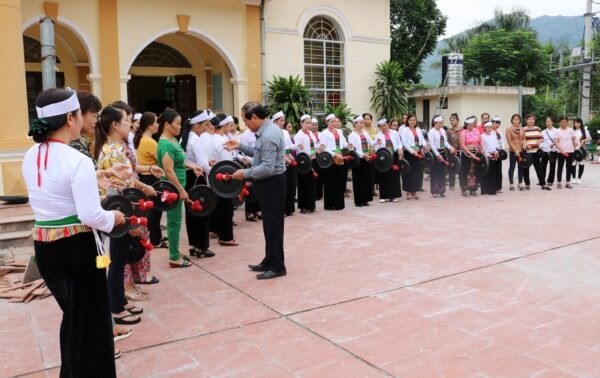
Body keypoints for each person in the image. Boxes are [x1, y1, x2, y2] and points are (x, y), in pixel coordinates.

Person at [23, 88, 125, 377]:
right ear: (70, 117)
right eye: (81, 113)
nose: (85, 118)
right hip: (78, 250)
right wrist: (114, 217)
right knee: (92, 325)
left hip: (46, 248)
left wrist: (98, 175)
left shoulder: (32, 154)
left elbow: (55, 184)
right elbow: (90, 215)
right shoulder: (76, 159)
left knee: (73, 318)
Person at [96, 105, 158, 323]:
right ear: (115, 125)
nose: (130, 125)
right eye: (126, 121)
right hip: (118, 211)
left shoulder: (117, 147)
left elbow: (128, 180)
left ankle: (120, 300)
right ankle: (115, 308)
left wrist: (144, 186)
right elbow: (119, 188)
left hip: (123, 209)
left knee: (120, 259)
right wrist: (132, 218)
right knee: (115, 260)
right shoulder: (112, 150)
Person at [224, 101, 287, 280]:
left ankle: (277, 266)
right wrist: (239, 146)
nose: (245, 125)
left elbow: (267, 167)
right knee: (268, 224)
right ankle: (269, 259)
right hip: (267, 182)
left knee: (274, 225)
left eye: (246, 121)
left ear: (255, 117)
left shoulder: (269, 134)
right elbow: (258, 154)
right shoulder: (264, 131)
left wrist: (243, 174)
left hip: (273, 182)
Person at [156, 108, 203, 267]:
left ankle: (175, 250)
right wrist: (181, 190)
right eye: (177, 124)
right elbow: (168, 170)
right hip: (172, 190)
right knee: (174, 222)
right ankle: (174, 257)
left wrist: (191, 166)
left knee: (176, 221)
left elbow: (179, 160)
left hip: (178, 187)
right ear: (167, 125)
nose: (180, 127)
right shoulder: (165, 144)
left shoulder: (173, 140)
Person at [180, 110, 215, 258]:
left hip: (188, 176)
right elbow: (201, 163)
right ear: (196, 125)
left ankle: (193, 244)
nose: (207, 127)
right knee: (202, 210)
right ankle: (202, 246)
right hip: (198, 176)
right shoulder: (196, 140)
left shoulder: (185, 139)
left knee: (191, 211)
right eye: (205, 124)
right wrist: (213, 174)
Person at [320, 113, 348, 210]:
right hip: (330, 159)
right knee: (330, 181)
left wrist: (349, 145)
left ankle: (339, 204)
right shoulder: (324, 133)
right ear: (327, 122)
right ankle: (329, 204)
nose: (334, 123)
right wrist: (334, 154)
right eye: (332, 121)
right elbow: (324, 147)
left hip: (340, 158)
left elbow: (344, 143)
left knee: (339, 181)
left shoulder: (339, 131)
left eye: (335, 121)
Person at [272, 111, 297, 216]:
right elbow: (275, 149)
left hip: (288, 159)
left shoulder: (285, 132)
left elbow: (289, 146)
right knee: (280, 188)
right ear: (275, 121)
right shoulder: (272, 132)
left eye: (283, 120)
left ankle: (289, 209)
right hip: (278, 162)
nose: (283, 122)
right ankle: (280, 210)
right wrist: (284, 157)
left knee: (290, 185)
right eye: (281, 120)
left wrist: (296, 147)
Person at [347, 115, 375, 207]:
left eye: (363, 122)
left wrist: (377, 141)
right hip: (358, 159)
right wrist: (363, 155)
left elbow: (371, 143)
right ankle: (359, 201)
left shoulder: (365, 133)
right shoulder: (352, 135)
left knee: (367, 179)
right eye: (360, 123)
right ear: (355, 124)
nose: (363, 124)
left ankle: (366, 199)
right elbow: (353, 150)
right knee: (359, 180)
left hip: (367, 158)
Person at [294, 114, 319, 213]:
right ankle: (303, 206)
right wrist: (308, 155)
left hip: (312, 160)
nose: (309, 125)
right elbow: (299, 151)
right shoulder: (299, 135)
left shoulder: (310, 133)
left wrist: (318, 147)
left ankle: (311, 205)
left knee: (311, 183)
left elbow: (314, 145)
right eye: (306, 123)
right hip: (303, 162)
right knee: (303, 184)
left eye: (310, 123)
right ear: (301, 124)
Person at [400, 114, 427, 200]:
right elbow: (404, 143)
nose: (412, 122)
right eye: (411, 120)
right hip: (409, 154)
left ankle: (414, 191)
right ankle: (408, 192)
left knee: (418, 172)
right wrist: (412, 152)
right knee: (408, 173)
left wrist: (424, 146)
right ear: (407, 121)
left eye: (414, 120)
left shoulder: (418, 129)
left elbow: (422, 140)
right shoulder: (404, 130)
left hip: (418, 153)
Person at [374, 118, 402, 202]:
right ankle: (383, 196)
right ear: (379, 127)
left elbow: (399, 143)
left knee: (394, 176)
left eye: (385, 125)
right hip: (384, 158)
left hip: (394, 155)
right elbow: (376, 148)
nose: (384, 127)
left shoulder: (395, 133)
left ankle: (393, 196)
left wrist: (400, 149)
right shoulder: (378, 135)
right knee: (384, 176)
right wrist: (378, 144)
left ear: (388, 125)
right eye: (381, 126)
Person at [427, 115, 454, 198]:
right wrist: (437, 155)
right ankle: (434, 191)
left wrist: (450, 148)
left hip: (443, 152)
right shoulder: (431, 132)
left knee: (442, 172)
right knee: (434, 172)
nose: (441, 125)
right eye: (439, 123)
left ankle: (442, 190)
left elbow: (445, 142)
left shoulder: (442, 130)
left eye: (442, 123)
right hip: (435, 153)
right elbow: (431, 144)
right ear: (435, 123)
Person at [522, 114, 550, 190]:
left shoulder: (538, 129)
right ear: (526, 120)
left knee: (539, 168)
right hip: (527, 153)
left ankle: (543, 184)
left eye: (532, 119)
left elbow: (542, 138)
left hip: (536, 152)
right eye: (529, 119)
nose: (531, 120)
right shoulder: (523, 129)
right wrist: (526, 145)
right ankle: (527, 184)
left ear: (534, 120)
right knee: (526, 168)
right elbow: (522, 140)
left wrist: (540, 141)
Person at [459, 116, 482, 196]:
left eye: (472, 125)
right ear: (466, 125)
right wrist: (470, 153)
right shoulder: (463, 132)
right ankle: (464, 189)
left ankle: (473, 189)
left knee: (474, 171)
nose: (471, 127)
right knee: (465, 171)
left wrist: (482, 149)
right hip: (466, 154)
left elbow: (480, 142)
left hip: (475, 153)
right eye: (469, 126)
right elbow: (462, 145)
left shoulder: (476, 131)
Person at [555, 116, 577, 189]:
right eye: (562, 122)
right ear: (559, 123)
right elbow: (556, 142)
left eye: (565, 122)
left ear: (567, 122)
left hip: (570, 151)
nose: (563, 123)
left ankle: (568, 183)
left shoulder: (571, 130)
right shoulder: (557, 131)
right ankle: (559, 183)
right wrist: (562, 150)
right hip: (560, 152)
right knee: (560, 167)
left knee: (569, 167)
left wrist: (575, 143)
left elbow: (574, 139)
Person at [480, 121, 501, 195]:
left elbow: (497, 144)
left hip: (494, 155)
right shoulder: (482, 136)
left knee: (493, 173)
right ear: (485, 128)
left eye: (491, 128)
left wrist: (497, 151)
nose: (490, 129)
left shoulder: (494, 134)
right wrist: (487, 154)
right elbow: (483, 147)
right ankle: (485, 190)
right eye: (488, 128)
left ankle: (492, 190)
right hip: (487, 156)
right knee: (486, 173)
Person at [506, 113, 524, 191]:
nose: (516, 121)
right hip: (513, 151)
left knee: (521, 167)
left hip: (521, 151)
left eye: (518, 119)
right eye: (514, 119)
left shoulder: (522, 129)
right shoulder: (509, 129)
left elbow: (524, 139)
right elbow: (509, 141)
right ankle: (511, 184)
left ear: (520, 120)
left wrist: (525, 144)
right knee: (512, 168)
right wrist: (515, 150)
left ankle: (520, 184)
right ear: (512, 120)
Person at [540, 116, 557, 188]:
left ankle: (550, 181)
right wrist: (541, 147)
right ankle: (542, 180)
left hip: (553, 151)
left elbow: (557, 141)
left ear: (552, 122)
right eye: (546, 121)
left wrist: (554, 144)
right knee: (542, 166)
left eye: (549, 121)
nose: (547, 123)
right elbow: (541, 140)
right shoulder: (543, 132)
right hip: (544, 151)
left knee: (552, 167)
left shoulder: (556, 131)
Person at [572, 117, 591, 184]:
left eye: (578, 122)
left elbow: (589, 138)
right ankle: (574, 178)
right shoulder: (572, 131)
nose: (576, 124)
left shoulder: (584, 130)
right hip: (573, 149)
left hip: (582, 149)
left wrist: (584, 140)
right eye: (575, 122)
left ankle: (579, 178)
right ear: (573, 123)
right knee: (573, 164)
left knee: (581, 164)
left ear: (581, 123)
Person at [446, 113, 461, 190]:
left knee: (461, 168)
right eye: (450, 120)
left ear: (457, 120)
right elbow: (446, 141)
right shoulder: (448, 130)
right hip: (451, 152)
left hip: (461, 151)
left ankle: (463, 185)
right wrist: (450, 148)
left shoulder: (462, 130)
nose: (452, 122)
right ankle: (451, 185)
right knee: (452, 168)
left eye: (453, 120)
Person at [491, 116, 505, 193]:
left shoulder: (500, 131)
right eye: (495, 123)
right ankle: (493, 186)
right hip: (492, 153)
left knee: (499, 170)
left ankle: (498, 187)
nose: (497, 125)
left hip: (499, 153)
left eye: (498, 123)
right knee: (493, 170)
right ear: (492, 123)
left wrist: (502, 150)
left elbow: (502, 141)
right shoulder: (490, 131)